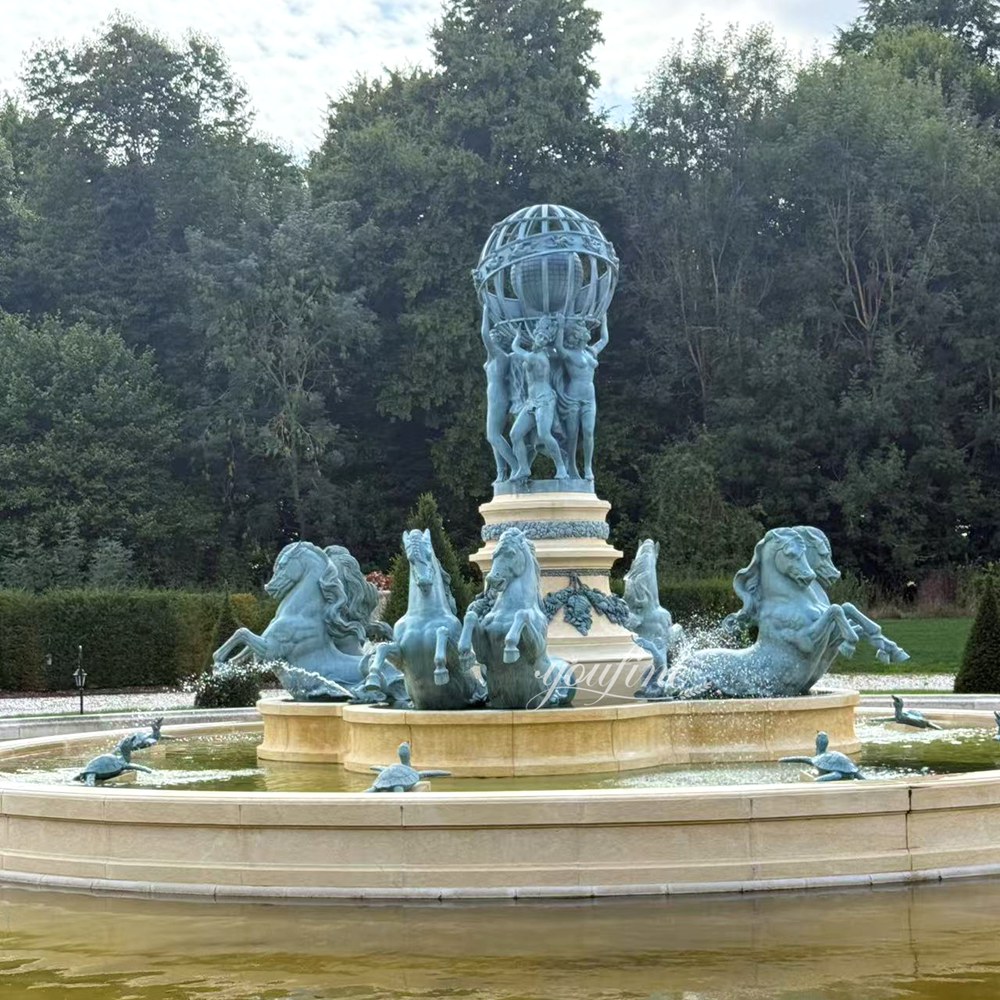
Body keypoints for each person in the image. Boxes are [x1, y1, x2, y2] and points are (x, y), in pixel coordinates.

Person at [509, 315, 569, 482]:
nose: (542, 340)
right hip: (531, 402)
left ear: (547, 341)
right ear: (535, 334)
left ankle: (561, 468)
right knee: (514, 434)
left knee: (544, 434)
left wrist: (517, 336)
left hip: (545, 400)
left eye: (545, 338)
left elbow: (516, 348)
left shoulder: (537, 357)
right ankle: (524, 468)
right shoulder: (532, 354)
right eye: (540, 336)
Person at [554, 314, 608, 481]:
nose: (586, 332)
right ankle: (571, 465)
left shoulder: (591, 352)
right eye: (582, 330)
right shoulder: (569, 354)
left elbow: (604, 339)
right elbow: (558, 347)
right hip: (573, 397)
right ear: (577, 336)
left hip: (589, 397)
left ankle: (588, 467)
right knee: (573, 434)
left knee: (589, 431)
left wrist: (604, 318)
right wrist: (561, 327)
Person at [481, 311, 518, 483]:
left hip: (499, 396)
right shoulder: (492, 359)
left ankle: (516, 466)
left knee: (493, 435)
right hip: (493, 396)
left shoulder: (501, 356)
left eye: (494, 336)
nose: (490, 336)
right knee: (495, 436)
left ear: (500, 341)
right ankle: (501, 472)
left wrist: (486, 310)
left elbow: (483, 334)